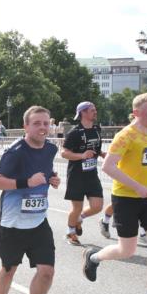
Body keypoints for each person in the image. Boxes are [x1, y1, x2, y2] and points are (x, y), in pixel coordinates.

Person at [83, 92, 147, 294]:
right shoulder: (125, 135)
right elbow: (108, 167)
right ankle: (93, 257)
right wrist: (136, 186)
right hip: (126, 198)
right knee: (127, 250)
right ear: (136, 113)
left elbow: (144, 160)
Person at [0, 106, 61, 294]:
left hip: (38, 221)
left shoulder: (51, 148)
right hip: (13, 224)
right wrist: (26, 183)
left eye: (46, 123)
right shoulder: (15, 151)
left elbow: (44, 172)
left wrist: (52, 178)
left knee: (47, 272)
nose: (42, 127)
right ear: (26, 126)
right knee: (9, 269)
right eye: (37, 123)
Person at [61, 101, 105, 246]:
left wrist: (104, 154)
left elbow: (95, 149)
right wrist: (82, 155)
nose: (95, 112)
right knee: (77, 207)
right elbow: (64, 153)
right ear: (83, 113)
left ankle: (79, 219)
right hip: (76, 175)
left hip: (92, 174)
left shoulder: (97, 129)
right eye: (92, 110)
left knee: (97, 206)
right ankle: (71, 232)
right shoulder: (74, 133)